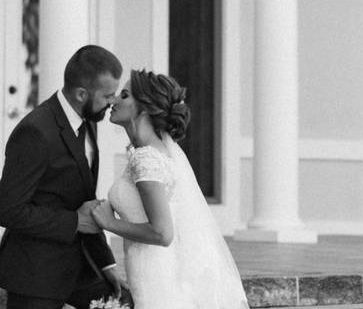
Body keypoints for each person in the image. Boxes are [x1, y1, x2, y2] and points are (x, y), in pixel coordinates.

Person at [91, 69, 249, 309]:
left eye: (124, 95)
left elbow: (162, 233)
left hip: (154, 271)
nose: (113, 100)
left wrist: (109, 223)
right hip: (150, 265)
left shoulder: (146, 158)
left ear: (143, 107)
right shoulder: (149, 152)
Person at [0, 45, 127, 309]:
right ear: (81, 93)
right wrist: (74, 221)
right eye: (107, 95)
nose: (113, 102)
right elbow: (7, 211)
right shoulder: (35, 132)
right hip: (35, 276)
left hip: (81, 268)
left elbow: (85, 202)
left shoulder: (88, 119)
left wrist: (106, 263)